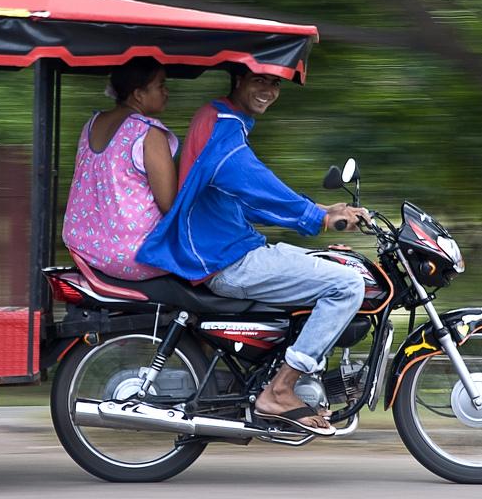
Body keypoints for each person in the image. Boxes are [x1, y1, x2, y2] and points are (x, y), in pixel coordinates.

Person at [138, 66, 368, 435]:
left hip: (232, 248)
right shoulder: (224, 129)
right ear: (238, 81)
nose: (268, 90)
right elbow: (256, 183)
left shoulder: (221, 119)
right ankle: (280, 390)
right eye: (259, 80)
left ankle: (283, 374)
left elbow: (249, 200)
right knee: (347, 285)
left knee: (332, 265)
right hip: (227, 259)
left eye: (274, 83)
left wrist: (321, 212)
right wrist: (316, 217)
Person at [62, 59, 178, 281]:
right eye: (160, 85)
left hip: (83, 247)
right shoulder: (149, 132)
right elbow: (169, 205)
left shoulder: (92, 124)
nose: (166, 92)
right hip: (133, 254)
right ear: (138, 94)